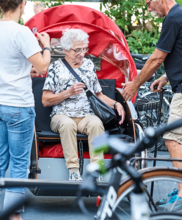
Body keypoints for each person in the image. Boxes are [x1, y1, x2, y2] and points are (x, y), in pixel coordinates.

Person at [121, 0, 182, 207]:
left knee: (171, 140)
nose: (149, 9)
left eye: (148, 4)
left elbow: (156, 58)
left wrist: (135, 85)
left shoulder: (173, 19)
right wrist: (166, 77)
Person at [0, 0, 51, 220]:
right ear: (22, 4)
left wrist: (25, 71)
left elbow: (5, 64)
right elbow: (42, 66)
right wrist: (47, 46)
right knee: (20, 164)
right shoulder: (20, 32)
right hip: (17, 106)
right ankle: (14, 216)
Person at [41, 28, 125, 181]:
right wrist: (68, 92)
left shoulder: (88, 65)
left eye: (84, 49)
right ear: (65, 49)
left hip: (85, 115)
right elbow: (45, 100)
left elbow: (98, 94)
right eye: (77, 50)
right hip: (61, 115)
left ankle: (98, 169)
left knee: (96, 123)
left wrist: (116, 104)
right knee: (67, 125)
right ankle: (73, 171)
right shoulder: (55, 67)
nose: (82, 53)